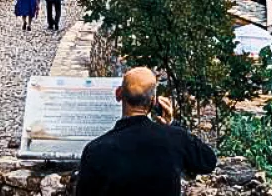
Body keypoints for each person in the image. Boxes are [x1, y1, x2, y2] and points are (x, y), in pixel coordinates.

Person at [75, 67, 216, 196]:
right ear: (153, 101)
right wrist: (172, 124)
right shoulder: (175, 138)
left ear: (118, 94)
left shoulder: (95, 150)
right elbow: (208, 161)